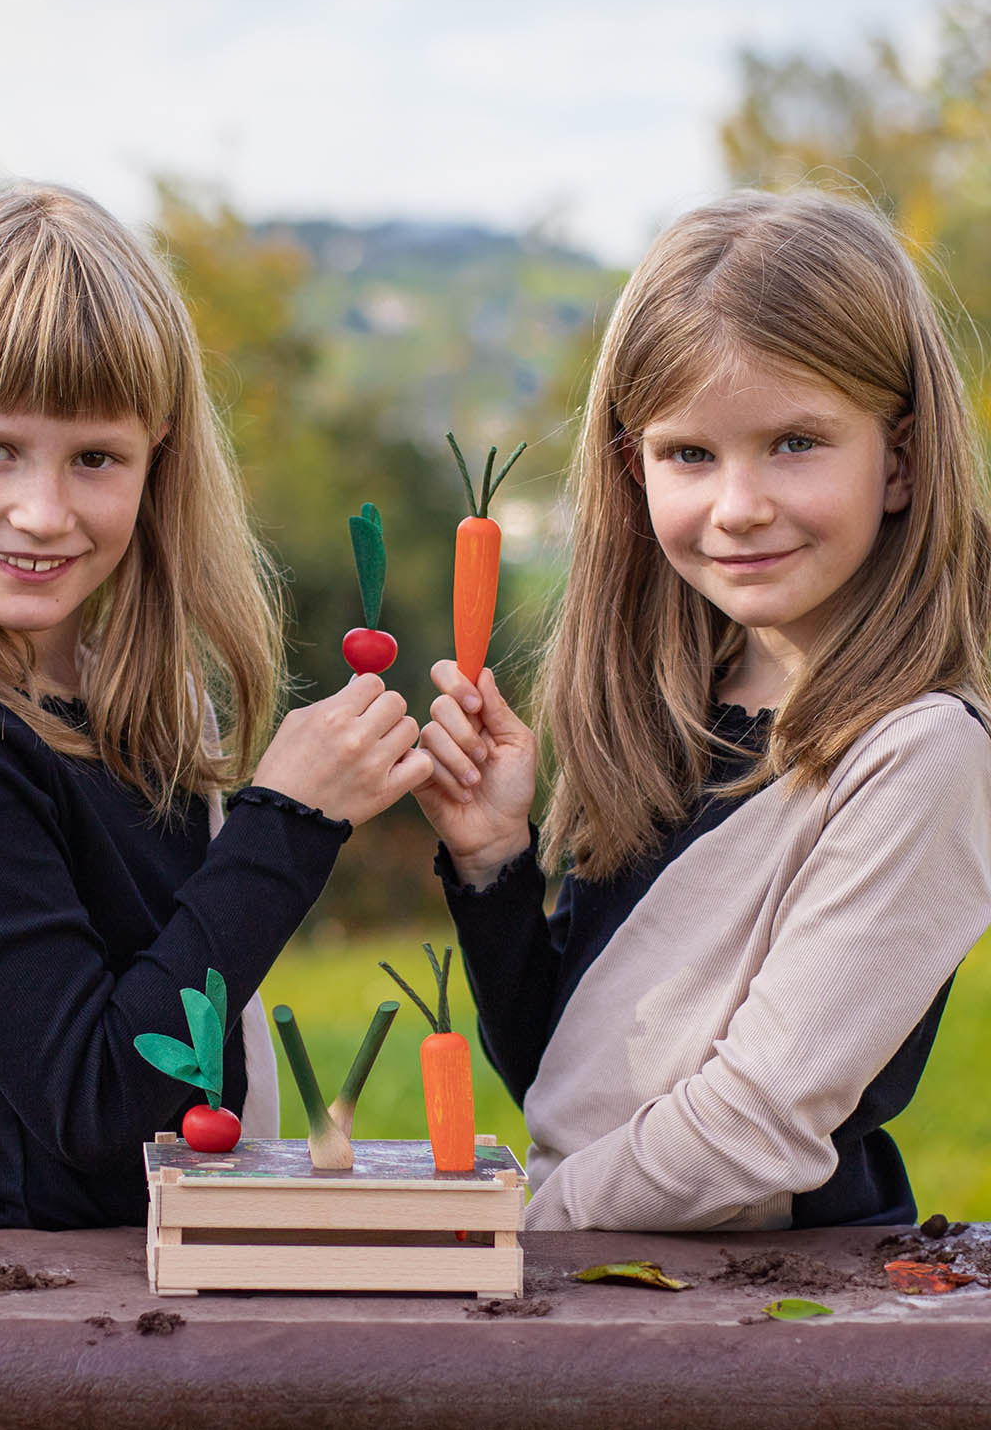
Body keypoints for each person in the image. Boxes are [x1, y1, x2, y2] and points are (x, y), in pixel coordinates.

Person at [0, 180, 431, 1229]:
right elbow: (99, 1101)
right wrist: (288, 825)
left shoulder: (132, 698)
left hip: (161, 1269)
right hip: (49, 1308)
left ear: (157, 460)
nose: (43, 513)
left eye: (96, 458)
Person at [414, 189, 991, 1231]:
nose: (738, 505)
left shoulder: (920, 752)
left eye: (795, 443)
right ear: (632, 471)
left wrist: (511, 1232)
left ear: (899, 460)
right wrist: (495, 862)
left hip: (767, 1322)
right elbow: (574, 1087)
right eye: (691, 455)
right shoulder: (673, 712)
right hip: (622, 1285)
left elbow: (752, 1128)